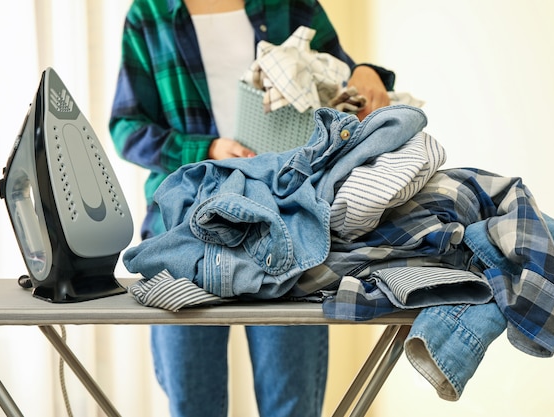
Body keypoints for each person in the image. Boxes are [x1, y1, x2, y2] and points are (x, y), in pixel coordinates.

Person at [109, 1, 395, 416]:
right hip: (184, 232)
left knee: (291, 405)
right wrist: (207, 150)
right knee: (193, 405)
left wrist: (368, 71)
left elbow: (343, 88)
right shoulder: (149, 13)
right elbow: (127, 127)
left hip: (287, 227)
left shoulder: (290, 5)